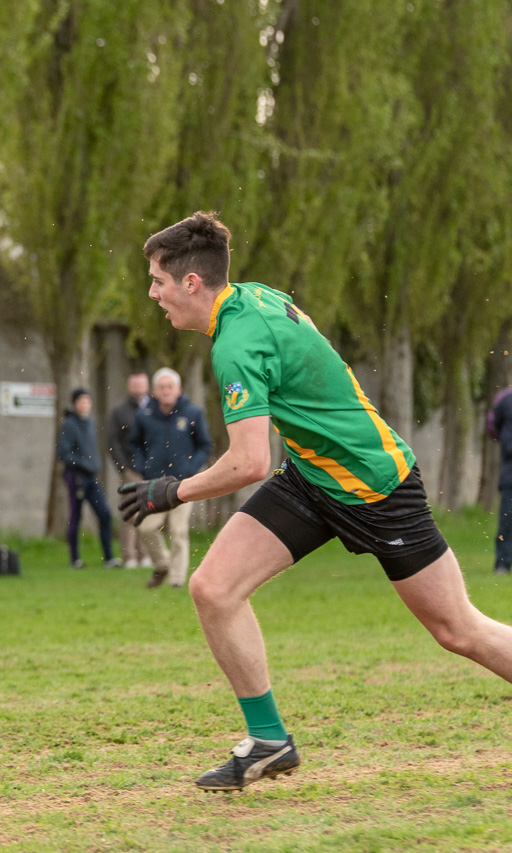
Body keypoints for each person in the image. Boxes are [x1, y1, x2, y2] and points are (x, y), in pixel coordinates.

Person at [121, 211, 512, 793]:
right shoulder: (249, 299)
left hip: (376, 488)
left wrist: (171, 490)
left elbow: (249, 463)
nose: (153, 294)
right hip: (312, 478)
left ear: (192, 283)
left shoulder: (237, 342)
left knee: (458, 630)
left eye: (157, 280)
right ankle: (269, 740)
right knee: (213, 587)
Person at [129, 368, 212, 588]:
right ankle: (162, 564)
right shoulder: (144, 415)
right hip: (153, 483)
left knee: (179, 531)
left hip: (182, 482)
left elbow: (205, 445)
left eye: (170, 387)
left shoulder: (192, 413)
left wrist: (192, 468)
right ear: (155, 391)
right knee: (146, 527)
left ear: (179, 390)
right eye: (162, 387)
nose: (166, 391)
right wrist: (141, 465)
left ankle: (176, 579)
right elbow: (135, 443)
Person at [56, 388, 118, 569]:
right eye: (81, 401)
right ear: (75, 404)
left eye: (87, 401)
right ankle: (75, 559)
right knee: (76, 517)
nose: (85, 405)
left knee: (105, 514)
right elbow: (64, 454)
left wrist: (93, 465)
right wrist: (82, 464)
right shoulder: (69, 424)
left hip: (92, 477)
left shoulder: (90, 423)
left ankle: (109, 558)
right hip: (76, 477)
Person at [107, 371, 152, 569]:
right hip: (130, 469)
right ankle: (130, 556)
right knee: (129, 513)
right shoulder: (120, 411)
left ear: (147, 385)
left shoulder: (155, 408)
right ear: (129, 386)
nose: (138, 388)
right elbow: (113, 441)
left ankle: (146, 554)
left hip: (152, 469)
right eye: (134, 384)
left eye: (141, 384)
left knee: (148, 512)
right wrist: (122, 467)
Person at [488, 385, 512, 576]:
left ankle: (502, 565)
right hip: (510, 471)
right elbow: (493, 427)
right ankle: (502, 564)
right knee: (507, 521)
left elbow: (492, 428)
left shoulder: (503, 397)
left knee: (507, 520)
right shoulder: (505, 399)